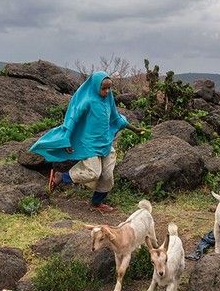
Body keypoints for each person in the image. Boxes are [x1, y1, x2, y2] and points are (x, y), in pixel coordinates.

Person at [30, 71, 143, 213]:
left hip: (105, 144)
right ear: (96, 86)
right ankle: (61, 176)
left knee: (107, 176)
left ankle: (97, 203)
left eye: (109, 88)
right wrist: (67, 140)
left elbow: (117, 118)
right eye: (104, 88)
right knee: (93, 173)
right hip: (89, 145)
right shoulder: (88, 101)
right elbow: (72, 119)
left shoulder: (109, 99)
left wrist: (135, 129)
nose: (107, 91)